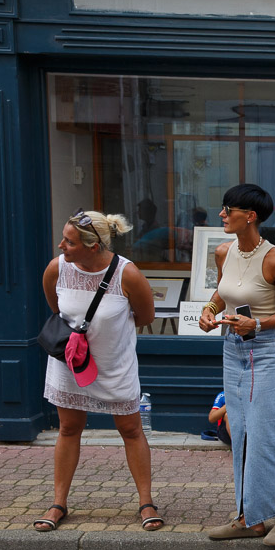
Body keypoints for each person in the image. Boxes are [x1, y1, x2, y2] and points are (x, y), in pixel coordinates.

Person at [34, 209, 162, 532]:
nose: (61, 246)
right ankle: (58, 503)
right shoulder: (57, 269)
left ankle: (146, 502)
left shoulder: (126, 274)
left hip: (113, 365)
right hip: (72, 362)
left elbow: (146, 315)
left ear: (93, 246)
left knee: (131, 429)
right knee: (68, 428)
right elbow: (55, 306)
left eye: (69, 241)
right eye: (63, 238)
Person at [199, 184, 275, 546]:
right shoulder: (224, 252)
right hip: (233, 350)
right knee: (240, 433)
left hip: (268, 351)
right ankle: (250, 518)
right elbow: (223, 291)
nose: (222, 215)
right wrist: (209, 311)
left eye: (228, 210)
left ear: (251, 216)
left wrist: (257, 324)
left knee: (265, 435)